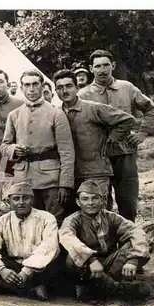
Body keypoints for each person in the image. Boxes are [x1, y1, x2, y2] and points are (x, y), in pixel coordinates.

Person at [78, 50, 154, 222]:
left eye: (106, 65)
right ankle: (105, 242)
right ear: (91, 69)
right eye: (98, 66)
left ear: (113, 66)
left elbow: (151, 108)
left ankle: (128, 240)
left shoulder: (126, 88)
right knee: (99, 200)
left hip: (125, 152)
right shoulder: (83, 95)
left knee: (128, 201)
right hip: (98, 156)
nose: (102, 70)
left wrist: (143, 132)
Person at [0, 70, 75, 224]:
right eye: (27, 85)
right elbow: (4, 145)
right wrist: (13, 149)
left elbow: (67, 151)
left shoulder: (56, 114)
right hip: (23, 177)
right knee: (28, 220)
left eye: (35, 84)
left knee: (54, 220)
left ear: (42, 86)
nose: (31, 89)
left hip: (51, 178)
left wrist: (65, 184)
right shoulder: (14, 115)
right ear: (21, 88)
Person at [53, 69, 135, 207]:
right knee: (75, 216)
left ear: (77, 88)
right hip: (70, 176)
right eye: (60, 88)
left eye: (69, 86)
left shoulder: (94, 109)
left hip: (96, 172)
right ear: (55, 91)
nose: (65, 91)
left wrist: (112, 140)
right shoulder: (55, 113)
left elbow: (127, 120)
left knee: (99, 214)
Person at [59, 180, 151, 301]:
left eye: (95, 198)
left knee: (131, 243)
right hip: (86, 268)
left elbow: (136, 232)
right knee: (72, 254)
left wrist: (133, 261)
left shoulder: (111, 217)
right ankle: (116, 289)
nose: (90, 203)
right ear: (78, 202)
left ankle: (96, 288)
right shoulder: (72, 220)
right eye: (85, 199)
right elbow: (67, 237)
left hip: (110, 266)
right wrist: (91, 259)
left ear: (102, 200)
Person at [0, 182, 60, 301]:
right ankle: (30, 291)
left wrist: (26, 272)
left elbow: (49, 247)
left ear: (32, 200)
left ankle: (0, 285)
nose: (21, 202)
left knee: (53, 263)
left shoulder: (47, 218)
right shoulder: (3, 220)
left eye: (25, 198)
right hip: (14, 267)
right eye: (16, 199)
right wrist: (1, 270)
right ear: (10, 201)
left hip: (38, 268)